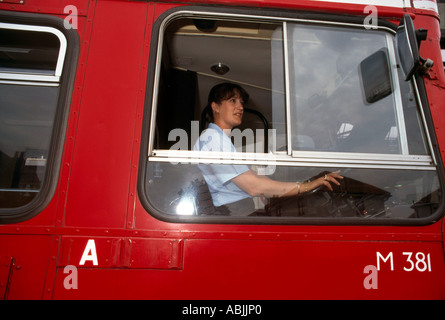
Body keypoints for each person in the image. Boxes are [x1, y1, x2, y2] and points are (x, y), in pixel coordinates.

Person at [193, 82, 343, 215]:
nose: (240, 107)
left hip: (239, 208)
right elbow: (253, 186)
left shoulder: (219, 139)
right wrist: (307, 186)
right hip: (234, 211)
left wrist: (303, 182)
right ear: (215, 107)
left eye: (241, 102)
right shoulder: (213, 139)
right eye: (233, 101)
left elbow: (256, 177)